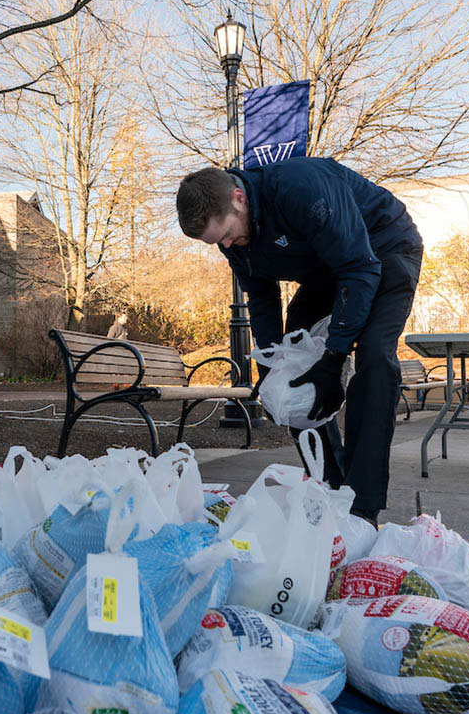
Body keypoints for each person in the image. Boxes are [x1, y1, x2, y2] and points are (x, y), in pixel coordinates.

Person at [176, 157, 423, 526]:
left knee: (373, 355)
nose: (226, 244)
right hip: (326, 268)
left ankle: (361, 506)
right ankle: (328, 485)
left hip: (383, 249)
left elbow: (359, 267)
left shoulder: (300, 188)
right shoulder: (232, 239)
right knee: (290, 371)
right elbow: (261, 297)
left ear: (239, 198)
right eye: (218, 242)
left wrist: (334, 356)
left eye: (227, 233)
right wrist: (271, 365)